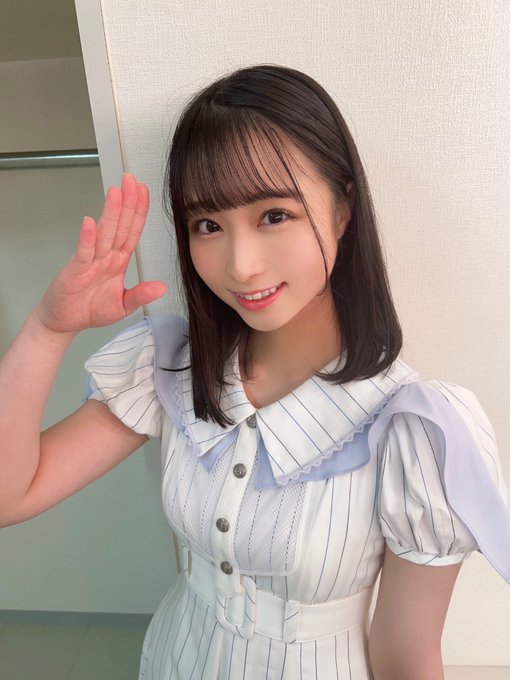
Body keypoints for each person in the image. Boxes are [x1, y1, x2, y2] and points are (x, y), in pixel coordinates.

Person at [0, 65, 509, 680]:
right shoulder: (172, 366)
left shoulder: (413, 429)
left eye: (274, 215)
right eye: (208, 225)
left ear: (342, 209)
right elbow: (10, 495)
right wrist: (47, 329)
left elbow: (404, 660)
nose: (240, 265)